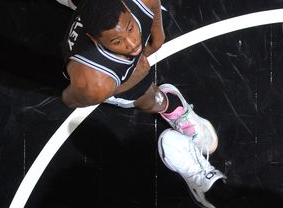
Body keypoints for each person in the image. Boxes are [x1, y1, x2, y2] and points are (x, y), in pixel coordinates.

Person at [61, 0, 218, 152]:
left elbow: (154, 6)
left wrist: (157, 38)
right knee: (150, 97)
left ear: (126, 8)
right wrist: (132, 79)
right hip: (108, 78)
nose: (133, 43)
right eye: (117, 41)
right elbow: (69, 100)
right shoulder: (94, 83)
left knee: (159, 21)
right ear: (94, 39)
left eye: (130, 29)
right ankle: (169, 105)